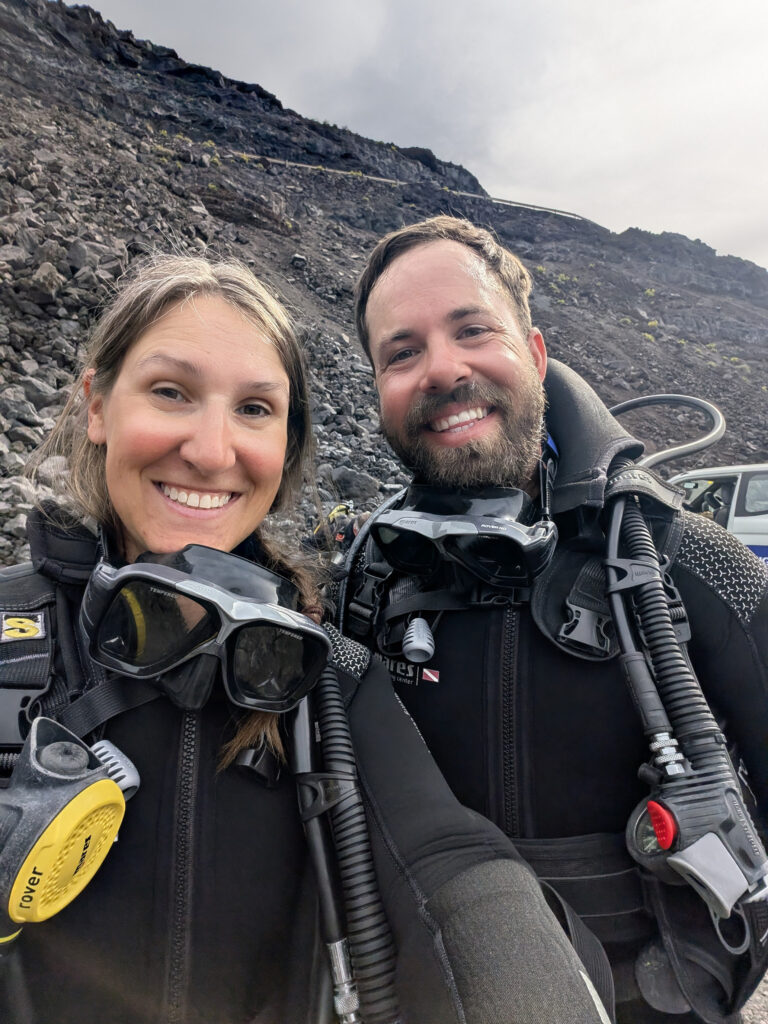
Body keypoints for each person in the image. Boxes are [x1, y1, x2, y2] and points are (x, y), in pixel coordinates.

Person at [0, 253, 615, 1024]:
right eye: (170, 392)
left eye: (256, 409)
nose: (213, 450)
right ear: (96, 404)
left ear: (286, 449)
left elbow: (454, 864)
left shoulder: (331, 678)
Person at [337, 216, 768, 1024]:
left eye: (472, 330)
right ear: (378, 393)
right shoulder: (365, 585)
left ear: (535, 355)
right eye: (402, 352)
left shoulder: (691, 564)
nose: (443, 368)